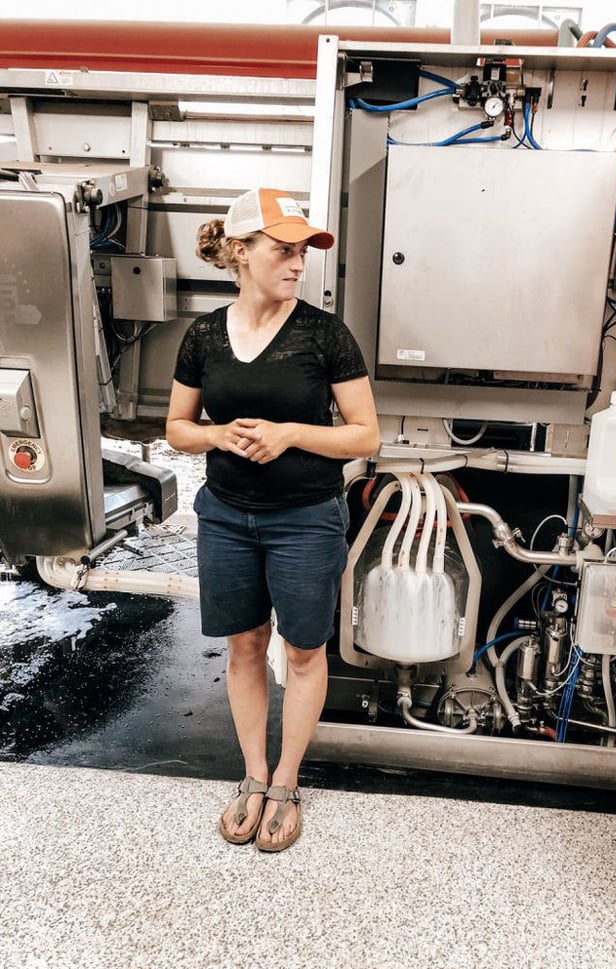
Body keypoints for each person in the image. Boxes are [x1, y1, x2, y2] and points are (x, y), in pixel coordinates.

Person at [166, 188, 380, 852]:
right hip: (226, 514)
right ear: (240, 251)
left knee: (304, 650)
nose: (297, 264)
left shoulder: (322, 334)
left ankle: (287, 780)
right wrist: (218, 435)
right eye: (283, 250)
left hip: (305, 519)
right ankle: (253, 775)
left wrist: (290, 433)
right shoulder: (202, 334)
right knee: (245, 647)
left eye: (301, 253)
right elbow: (175, 429)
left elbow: (364, 435)